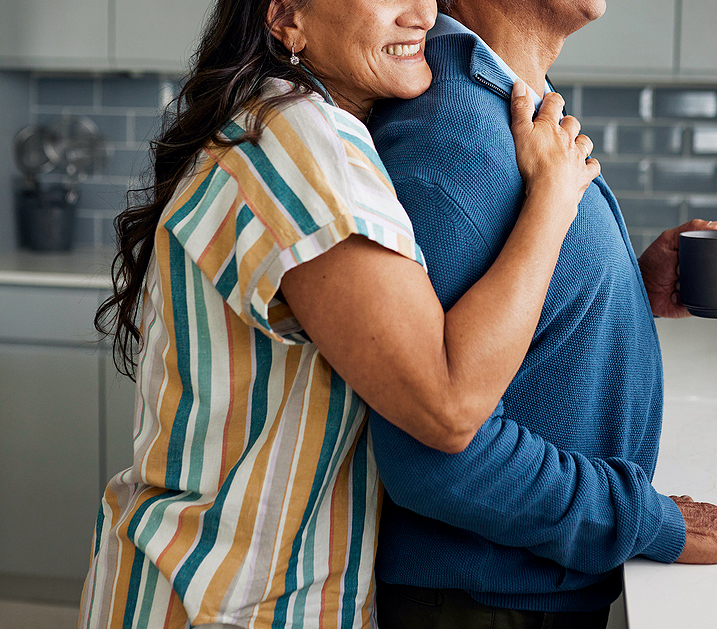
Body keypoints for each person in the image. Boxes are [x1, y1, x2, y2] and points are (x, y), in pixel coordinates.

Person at [79, 0, 601, 626]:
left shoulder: (283, 121)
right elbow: (449, 403)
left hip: (211, 582)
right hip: (224, 601)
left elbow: (417, 320)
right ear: (286, 19)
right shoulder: (300, 144)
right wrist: (552, 198)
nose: (425, 15)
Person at [366, 1, 717, 626]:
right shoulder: (450, 133)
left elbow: (498, 320)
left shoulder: (511, 102)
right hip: (488, 601)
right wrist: (653, 522)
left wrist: (622, 287)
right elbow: (432, 459)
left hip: (521, 588)